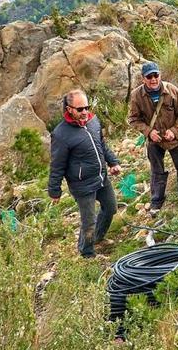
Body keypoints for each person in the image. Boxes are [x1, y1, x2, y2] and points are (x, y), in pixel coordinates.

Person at [48, 89, 122, 258]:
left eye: (87, 107)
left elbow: (102, 145)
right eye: (80, 109)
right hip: (82, 185)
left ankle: (98, 238)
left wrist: (113, 162)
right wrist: (54, 190)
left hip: (101, 177)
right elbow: (57, 165)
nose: (85, 112)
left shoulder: (94, 121)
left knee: (110, 208)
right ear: (69, 109)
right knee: (88, 222)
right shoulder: (61, 134)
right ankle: (86, 254)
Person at [128, 61, 178, 216]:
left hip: (174, 138)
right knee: (157, 172)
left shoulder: (172, 90)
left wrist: (174, 131)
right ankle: (156, 201)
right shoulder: (136, 96)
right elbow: (133, 119)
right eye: (149, 76)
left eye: (156, 75)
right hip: (154, 140)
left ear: (160, 75)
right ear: (143, 78)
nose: (153, 79)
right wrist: (148, 131)